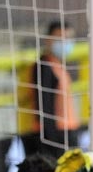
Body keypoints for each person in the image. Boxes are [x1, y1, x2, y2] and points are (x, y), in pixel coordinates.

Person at [18, 20, 83, 156]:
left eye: (68, 38)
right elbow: (44, 106)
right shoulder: (44, 67)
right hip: (53, 135)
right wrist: (53, 142)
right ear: (48, 40)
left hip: (65, 131)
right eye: (60, 38)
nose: (65, 43)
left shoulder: (58, 66)